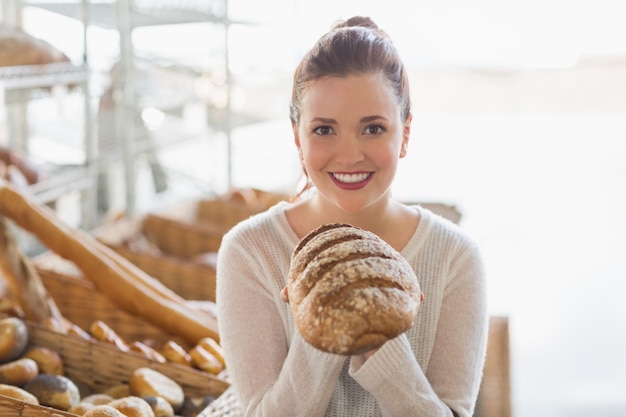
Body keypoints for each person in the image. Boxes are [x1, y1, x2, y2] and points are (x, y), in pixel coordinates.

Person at [216, 16, 488, 417]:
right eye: (324, 130)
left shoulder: (454, 257)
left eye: (373, 128)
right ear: (297, 138)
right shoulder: (250, 250)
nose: (349, 155)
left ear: (405, 135)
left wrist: (379, 337)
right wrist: (322, 319)